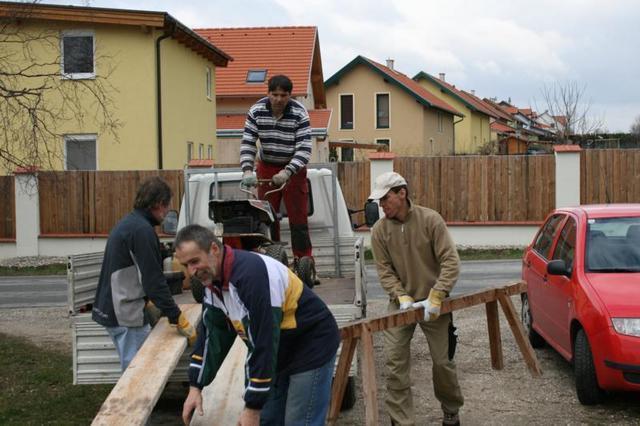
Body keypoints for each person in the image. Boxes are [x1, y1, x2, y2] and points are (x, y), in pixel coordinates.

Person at [175, 224, 339, 426]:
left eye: (195, 261)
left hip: (311, 345)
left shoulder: (252, 276)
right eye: (186, 265)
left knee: (298, 421)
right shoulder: (213, 285)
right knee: (268, 419)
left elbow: (264, 342)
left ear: (214, 249)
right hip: (279, 351)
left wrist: (252, 408)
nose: (191, 272)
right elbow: (212, 337)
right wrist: (195, 386)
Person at [368, 172, 464, 426]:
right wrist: (400, 296)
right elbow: (384, 270)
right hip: (401, 304)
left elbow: (450, 262)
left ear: (402, 193)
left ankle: (451, 411)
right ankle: (401, 421)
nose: (382, 205)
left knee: (443, 363)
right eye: (379, 201)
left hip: (434, 303)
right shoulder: (379, 231)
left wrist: (437, 295)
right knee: (394, 364)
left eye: (385, 199)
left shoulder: (430, 220)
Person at [92, 176, 197, 371]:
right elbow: (153, 280)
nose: (167, 213)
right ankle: (132, 403)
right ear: (158, 204)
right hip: (125, 314)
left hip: (115, 308)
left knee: (134, 372)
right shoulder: (142, 231)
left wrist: (149, 301)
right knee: (138, 373)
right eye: (167, 207)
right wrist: (176, 316)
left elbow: (136, 271)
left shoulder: (130, 223)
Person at [239, 74, 316, 281]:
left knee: (298, 217)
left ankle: (304, 262)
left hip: (294, 168)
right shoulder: (256, 111)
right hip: (266, 165)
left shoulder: (300, 114)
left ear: (290, 95)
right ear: (268, 94)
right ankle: (272, 261)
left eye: (284, 95)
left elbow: (304, 149)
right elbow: (248, 142)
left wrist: (287, 171)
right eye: (275, 94)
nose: (279, 99)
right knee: (266, 214)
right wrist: (247, 170)